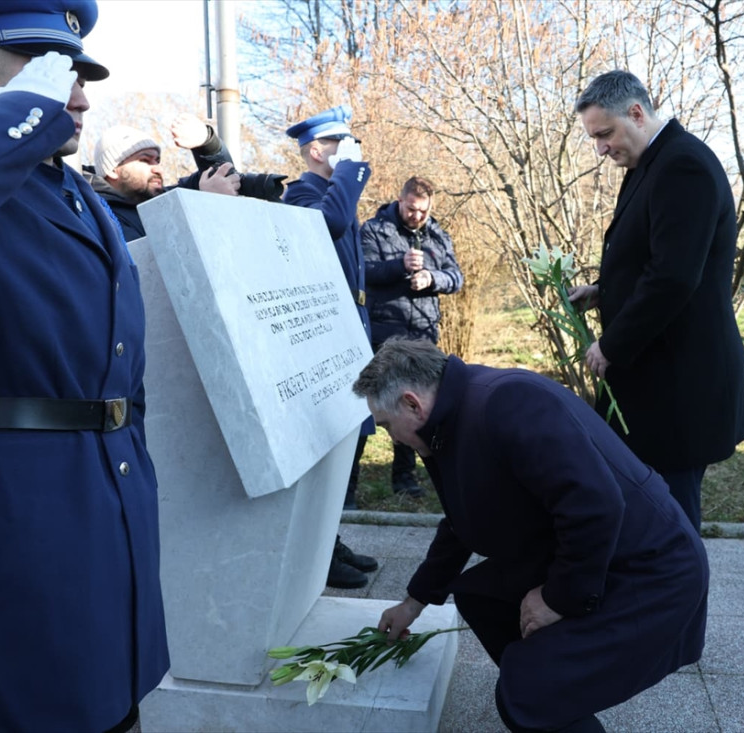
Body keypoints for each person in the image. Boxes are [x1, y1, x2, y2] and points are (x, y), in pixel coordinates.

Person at [0, 1, 167, 731]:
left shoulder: (79, 196)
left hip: (109, 502)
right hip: (24, 517)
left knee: (115, 706)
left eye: (77, 73)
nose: (77, 94)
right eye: (52, 74)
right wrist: (24, 109)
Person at [355, 339, 709, 733]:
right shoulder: (449, 420)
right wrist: (414, 602)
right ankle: (559, 690)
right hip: (601, 553)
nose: (391, 439)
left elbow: (595, 505)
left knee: (527, 695)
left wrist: (556, 599)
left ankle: (550, 688)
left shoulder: (508, 402)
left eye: (386, 426)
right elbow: (461, 521)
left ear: (411, 404)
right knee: (482, 597)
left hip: (651, 569)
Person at [569, 69, 744, 530]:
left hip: (678, 387)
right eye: (595, 138)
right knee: (647, 511)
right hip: (657, 379)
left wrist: (611, 346)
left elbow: (673, 278)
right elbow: (651, 257)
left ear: (637, 112)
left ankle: (680, 602)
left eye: (605, 134)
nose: (601, 148)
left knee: (672, 522)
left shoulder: (682, 165)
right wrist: (602, 290)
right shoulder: (649, 164)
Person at [283, 104, 379, 589]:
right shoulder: (303, 193)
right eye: (339, 143)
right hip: (324, 337)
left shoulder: (334, 193)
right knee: (329, 445)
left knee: (350, 442)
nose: (350, 151)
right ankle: (318, 552)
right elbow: (330, 226)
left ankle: (329, 542)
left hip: (349, 326)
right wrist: (351, 172)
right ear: (316, 149)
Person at [359, 176, 464, 498]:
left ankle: (406, 480)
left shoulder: (437, 235)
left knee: (416, 407)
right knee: (367, 409)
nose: (417, 216)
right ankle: (347, 486)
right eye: (412, 208)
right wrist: (399, 266)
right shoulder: (375, 230)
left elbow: (456, 277)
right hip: (383, 335)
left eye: (423, 210)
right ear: (400, 200)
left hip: (422, 335)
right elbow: (364, 272)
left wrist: (433, 278)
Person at [85, 115, 242, 241]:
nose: (158, 168)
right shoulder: (98, 214)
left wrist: (207, 143)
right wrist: (207, 206)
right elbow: (159, 264)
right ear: (112, 170)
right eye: (145, 160)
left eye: (157, 160)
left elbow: (223, 175)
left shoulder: (166, 198)